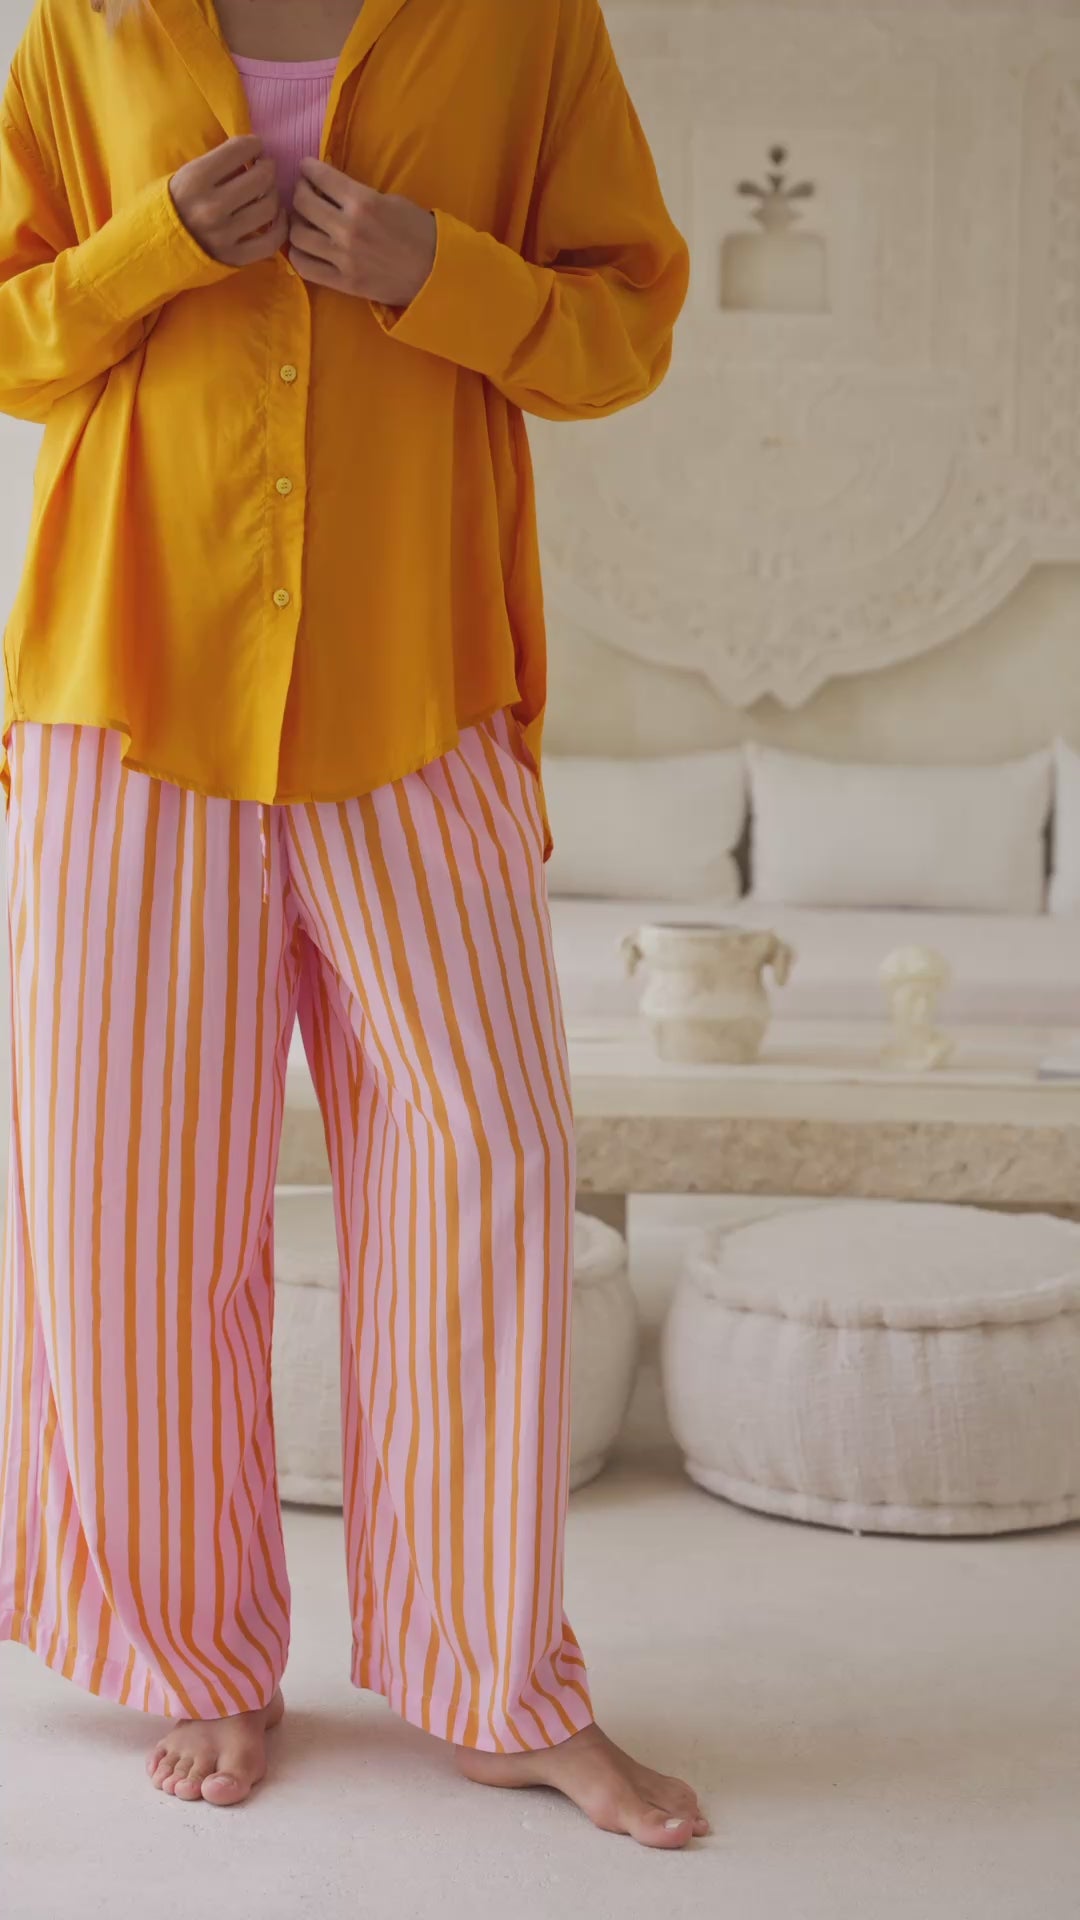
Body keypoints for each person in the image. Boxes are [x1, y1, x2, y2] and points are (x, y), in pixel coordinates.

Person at [0, 0, 700, 1847]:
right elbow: (8, 333)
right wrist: (154, 245)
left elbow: (621, 321)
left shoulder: (527, 24)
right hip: (130, 687)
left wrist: (438, 272)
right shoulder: (88, 20)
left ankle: (493, 1681)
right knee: (124, 1216)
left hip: (420, 676)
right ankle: (198, 1655)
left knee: (487, 1158)